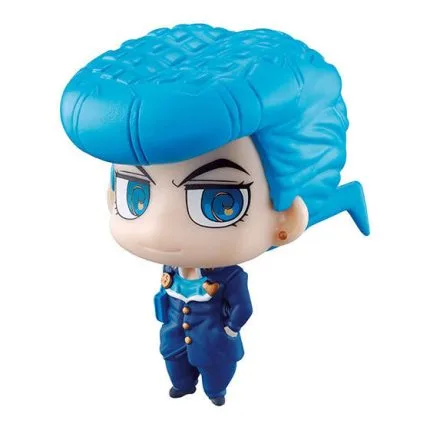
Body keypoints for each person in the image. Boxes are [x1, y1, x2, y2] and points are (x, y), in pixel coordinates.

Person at [60, 24, 369, 406]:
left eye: (220, 203)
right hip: (176, 337)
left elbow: (241, 307)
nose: (158, 231)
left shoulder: (231, 276)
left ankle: (216, 392)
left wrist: (229, 329)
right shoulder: (172, 269)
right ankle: (182, 384)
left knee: (216, 374)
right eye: (135, 195)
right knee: (176, 364)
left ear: (286, 218)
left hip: (214, 344)